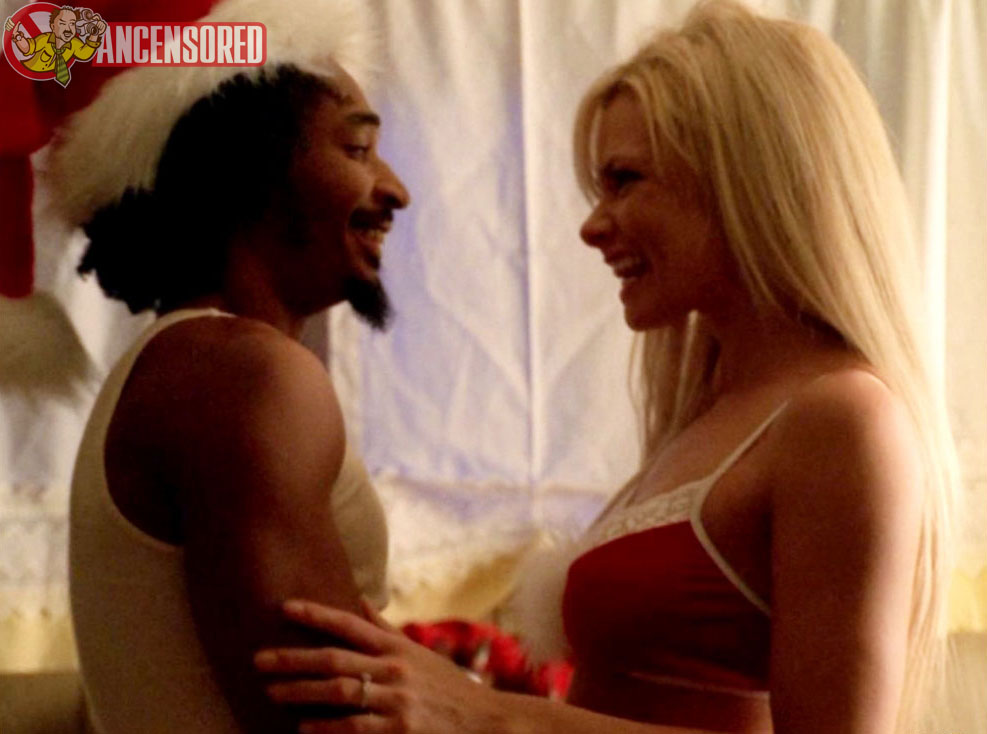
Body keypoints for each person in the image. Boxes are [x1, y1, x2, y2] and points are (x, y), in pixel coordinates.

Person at [251, 1, 960, 733]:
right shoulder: (712, 411)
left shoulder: (842, 416)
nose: (592, 227)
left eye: (624, 181)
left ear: (745, 178)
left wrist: (488, 715)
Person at [59, 1, 409, 732]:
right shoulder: (243, 377)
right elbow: (331, 719)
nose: (395, 189)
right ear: (251, 167)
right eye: (357, 149)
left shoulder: (187, 363)